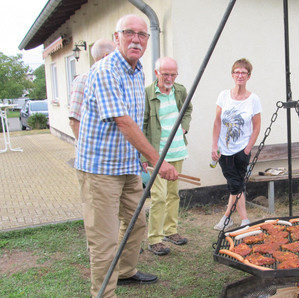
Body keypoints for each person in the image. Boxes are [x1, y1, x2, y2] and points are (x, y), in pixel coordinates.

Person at [74, 14, 178, 297]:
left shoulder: (138, 71)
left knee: (137, 224)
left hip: (127, 166)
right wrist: (157, 160)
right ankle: (103, 293)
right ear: (116, 37)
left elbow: (136, 120)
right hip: (100, 170)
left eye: (142, 34)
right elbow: (123, 121)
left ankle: (126, 272)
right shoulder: (106, 70)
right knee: (104, 241)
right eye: (129, 33)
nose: (136, 39)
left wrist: (142, 156)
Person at [142, 57, 193, 256]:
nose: (169, 78)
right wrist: (144, 155)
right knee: (159, 196)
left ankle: (170, 230)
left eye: (173, 74)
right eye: (165, 74)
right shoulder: (147, 94)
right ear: (156, 73)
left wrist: (184, 126)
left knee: (173, 194)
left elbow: (187, 109)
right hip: (157, 155)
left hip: (178, 150)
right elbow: (142, 124)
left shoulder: (180, 90)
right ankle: (154, 238)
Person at [212, 58, 261, 231]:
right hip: (224, 150)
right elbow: (217, 122)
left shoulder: (253, 99)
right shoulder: (223, 95)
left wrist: (248, 148)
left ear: (249, 76)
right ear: (232, 75)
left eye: (244, 73)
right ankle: (232, 218)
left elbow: (256, 127)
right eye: (237, 72)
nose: (240, 75)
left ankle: (238, 219)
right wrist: (214, 145)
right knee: (236, 184)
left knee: (235, 183)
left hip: (242, 150)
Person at [68, 39, 115, 139]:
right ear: (106, 56)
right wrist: (86, 150)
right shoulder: (83, 80)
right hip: (93, 151)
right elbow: (74, 121)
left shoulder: (112, 80)